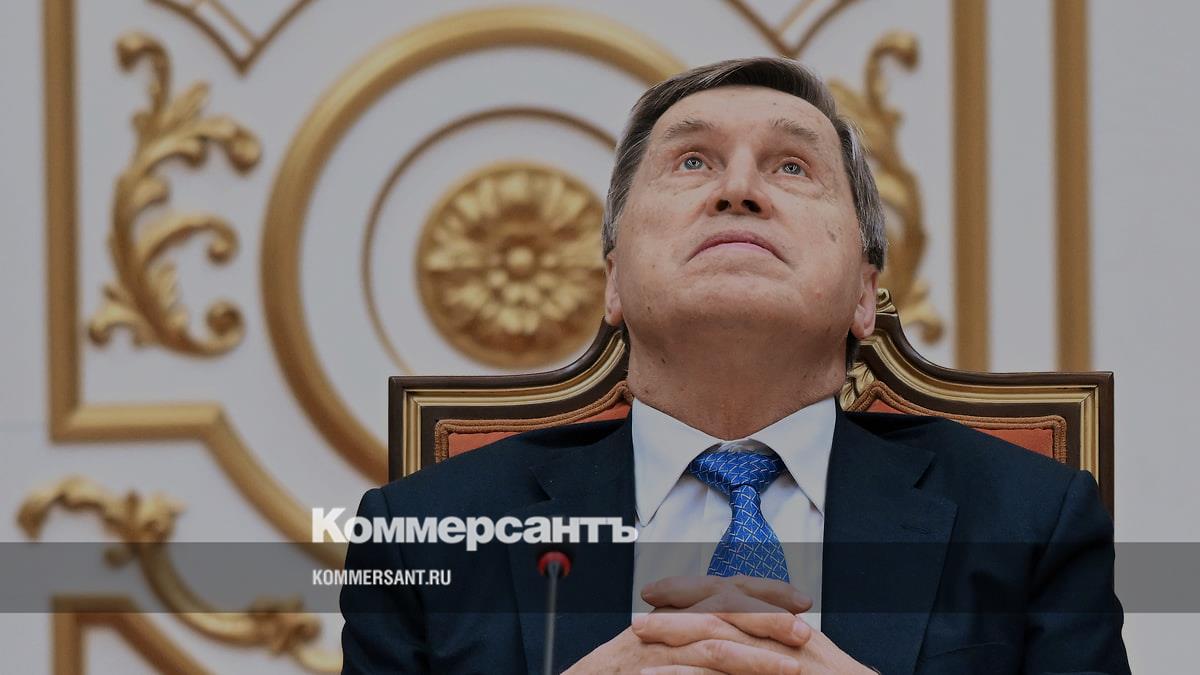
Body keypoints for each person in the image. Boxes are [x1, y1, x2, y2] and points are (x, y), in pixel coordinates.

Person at [340, 57, 1129, 674]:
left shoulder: (1030, 520)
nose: (739, 190)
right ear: (613, 281)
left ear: (865, 294)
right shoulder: (422, 535)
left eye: (792, 167)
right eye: (692, 162)